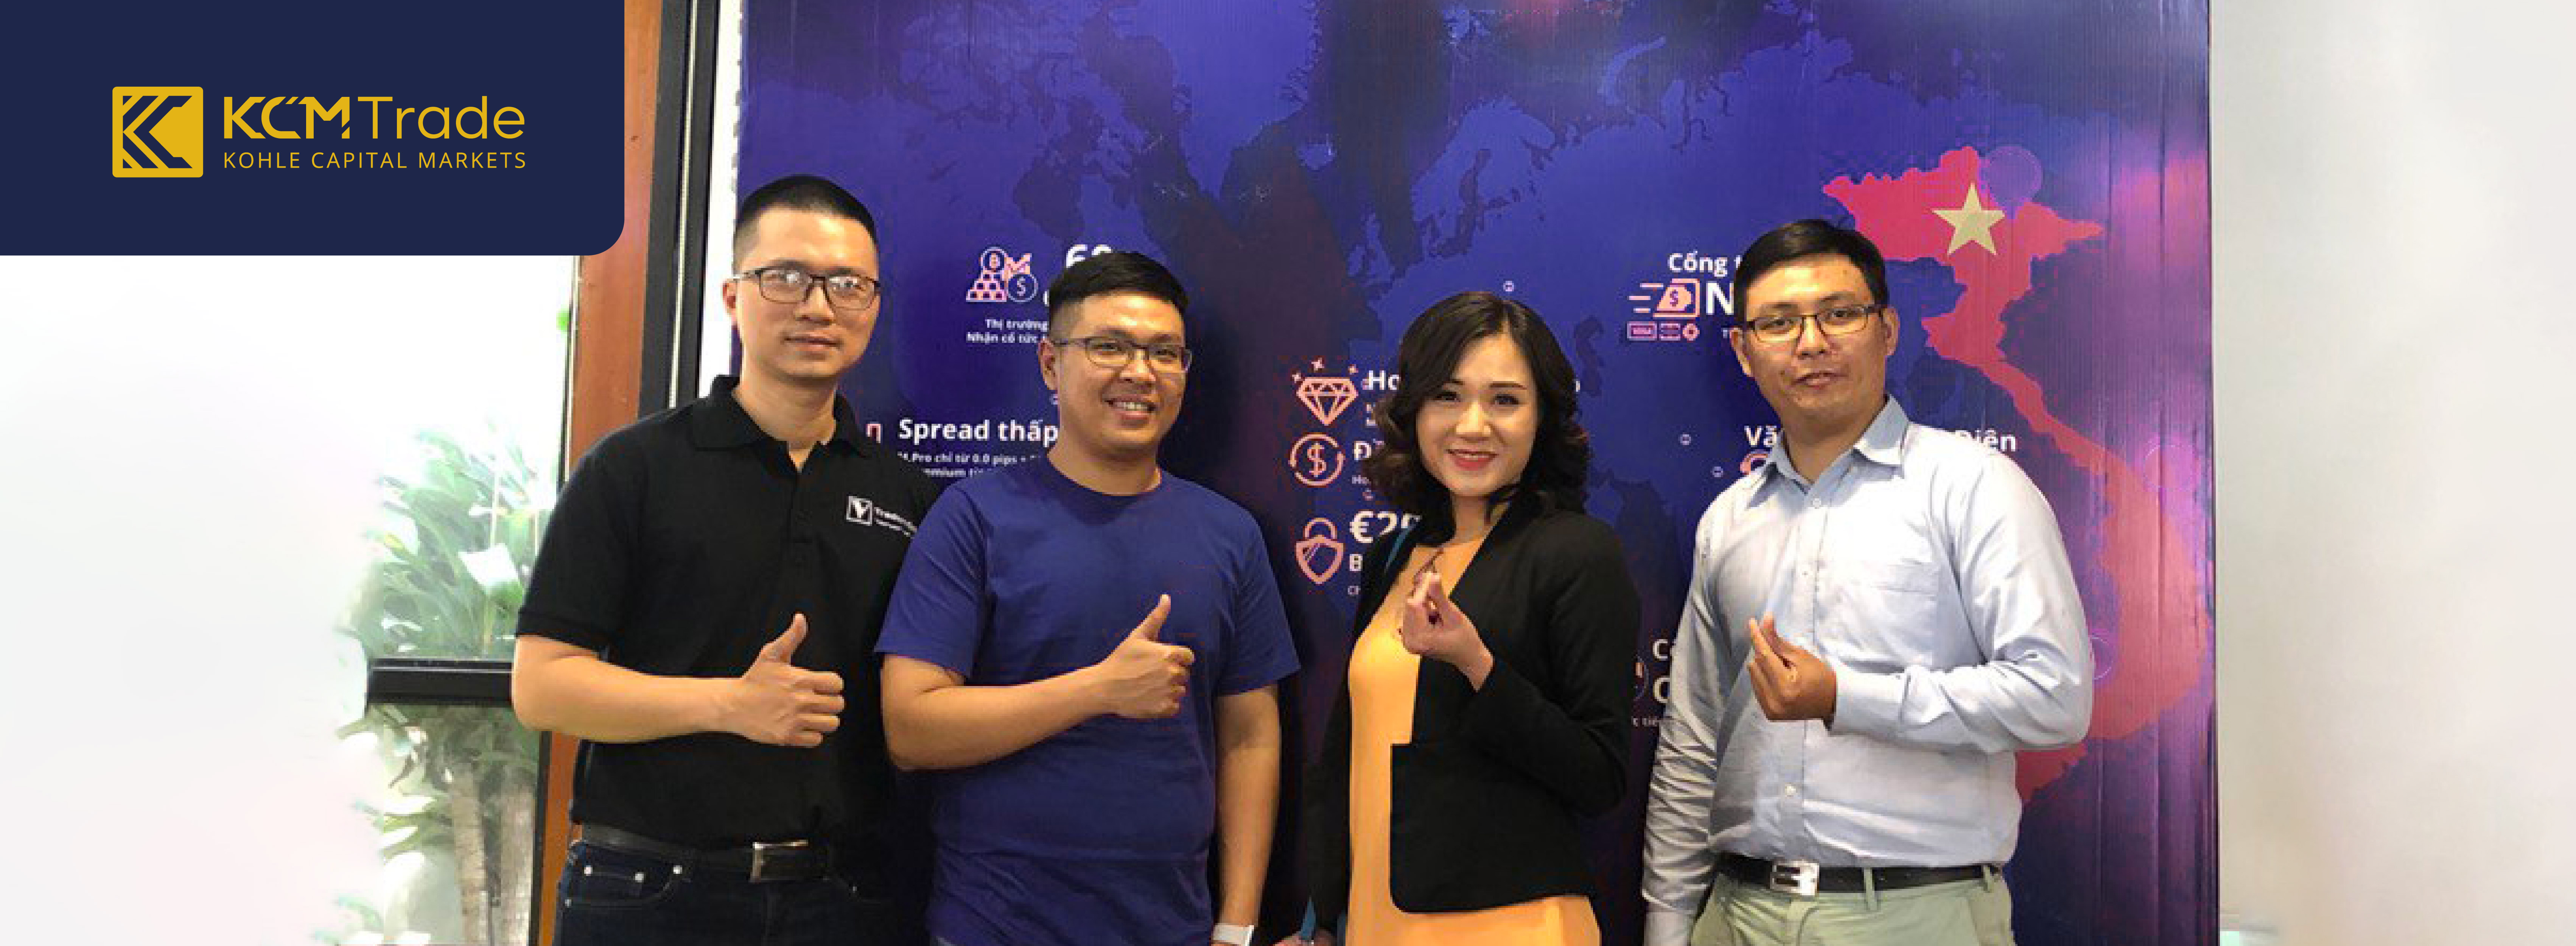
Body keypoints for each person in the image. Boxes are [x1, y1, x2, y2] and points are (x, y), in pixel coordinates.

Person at [510, 174, 939, 946]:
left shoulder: (910, 496)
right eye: (787, 278)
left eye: (847, 284)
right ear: (734, 296)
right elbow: (543, 687)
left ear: (873, 307)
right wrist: (728, 705)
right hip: (651, 892)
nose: (818, 307)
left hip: (844, 897)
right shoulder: (633, 468)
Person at [1641, 219, 2094, 946]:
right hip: (1736, 911)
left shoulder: (1973, 487)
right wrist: (1669, 923)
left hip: (1914, 913)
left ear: (1887, 330)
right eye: (1779, 323)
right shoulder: (1730, 519)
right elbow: (1694, 740)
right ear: (1745, 352)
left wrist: (1846, 699)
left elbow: (2055, 697)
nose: (1811, 343)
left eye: (1839, 314)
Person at [876, 250, 1298, 946]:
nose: (1140, 372)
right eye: (1109, 347)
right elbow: (912, 730)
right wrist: (1098, 690)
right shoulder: (975, 517)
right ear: (1050, 363)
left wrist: (1237, 925)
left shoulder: (1230, 535)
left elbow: (1250, 737)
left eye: (1165, 353)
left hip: (1173, 928)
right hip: (995, 928)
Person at [1288, 291, 1641, 946]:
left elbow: (1598, 776)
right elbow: (1350, 755)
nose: (1472, 426)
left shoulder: (1577, 551)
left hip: (1511, 927)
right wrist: (1321, 919)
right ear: (1415, 409)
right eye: (1448, 396)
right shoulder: (1393, 554)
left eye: (1505, 400)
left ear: (1542, 418)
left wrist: (1477, 666)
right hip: (1375, 923)